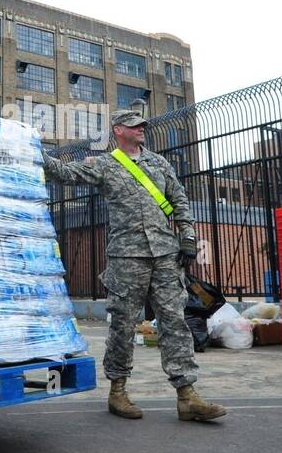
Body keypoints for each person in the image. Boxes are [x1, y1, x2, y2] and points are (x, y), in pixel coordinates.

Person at [42, 106, 225, 423]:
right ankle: (118, 391)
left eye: (142, 125)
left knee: (175, 323)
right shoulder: (105, 165)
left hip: (166, 256)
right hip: (127, 258)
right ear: (118, 130)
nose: (141, 128)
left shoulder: (159, 163)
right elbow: (63, 174)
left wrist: (189, 238)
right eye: (134, 125)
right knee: (123, 325)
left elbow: (179, 200)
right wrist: (34, 150)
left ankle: (187, 396)